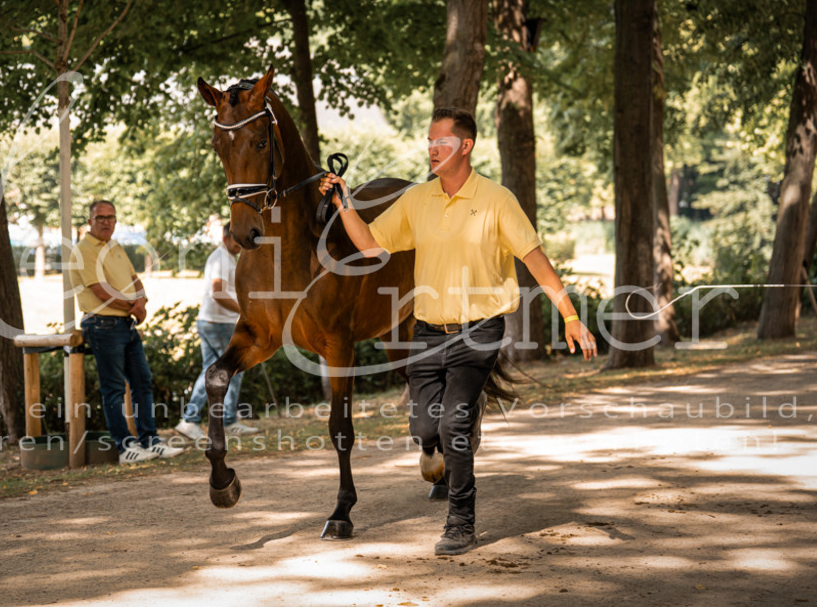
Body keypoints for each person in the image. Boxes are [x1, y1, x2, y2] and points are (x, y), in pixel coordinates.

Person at [320, 107, 597, 556]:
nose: (432, 149)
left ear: (465, 146)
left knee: (454, 424)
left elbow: (534, 258)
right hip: (427, 332)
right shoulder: (417, 200)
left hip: (479, 331)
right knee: (423, 425)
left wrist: (570, 315)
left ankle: (461, 523)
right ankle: (456, 421)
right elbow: (371, 244)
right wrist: (343, 203)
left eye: (441, 142)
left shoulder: (496, 199)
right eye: (429, 141)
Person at [71, 200, 184, 464]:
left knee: (142, 381)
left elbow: (134, 279)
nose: (106, 222)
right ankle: (126, 447)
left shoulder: (115, 246)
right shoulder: (83, 250)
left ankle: (151, 441)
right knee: (113, 389)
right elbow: (100, 291)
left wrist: (141, 301)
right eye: (100, 218)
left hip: (126, 324)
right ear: (89, 221)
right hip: (102, 324)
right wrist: (133, 307)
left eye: (111, 217)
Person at [175, 224, 259, 440]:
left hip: (216, 322)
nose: (240, 244)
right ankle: (218, 420)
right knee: (234, 369)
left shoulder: (228, 258)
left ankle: (194, 420)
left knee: (211, 371)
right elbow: (218, 293)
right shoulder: (220, 258)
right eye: (237, 239)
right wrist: (245, 312)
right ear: (225, 237)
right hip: (217, 323)